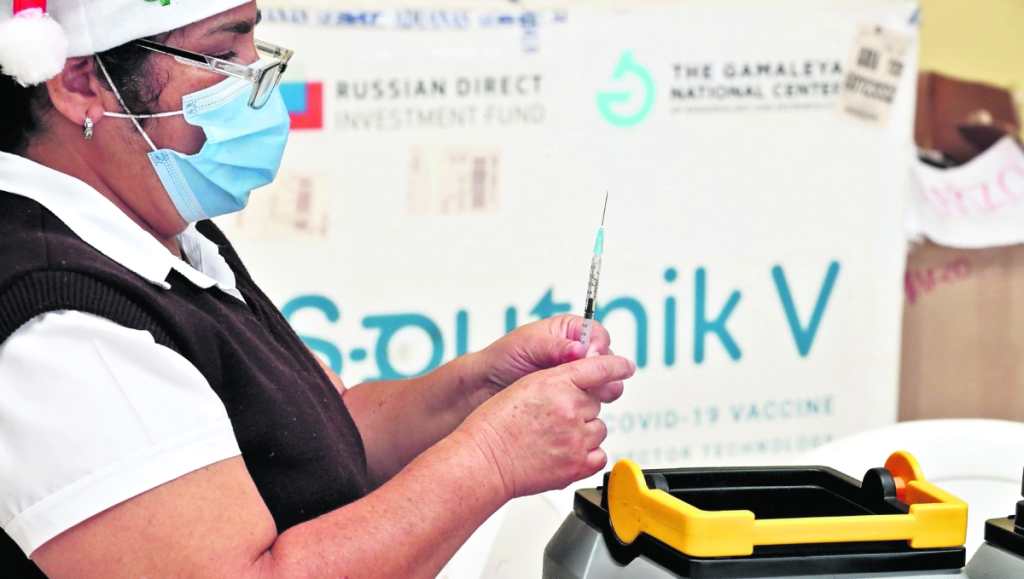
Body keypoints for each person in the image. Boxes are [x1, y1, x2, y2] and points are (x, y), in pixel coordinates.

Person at [0, 1, 636, 577]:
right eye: (222, 55)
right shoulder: (60, 329)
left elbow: (318, 439)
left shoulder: (164, 233)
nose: (258, 85)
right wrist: (493, 457)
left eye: (254, 49)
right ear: (81, 83)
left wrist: (480, 387)